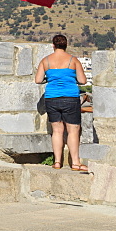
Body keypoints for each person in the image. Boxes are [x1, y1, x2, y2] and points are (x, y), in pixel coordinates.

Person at [35, 34, 89, 172]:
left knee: (57, 131)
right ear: (66, 45)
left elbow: (38, 80)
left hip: (52, 98)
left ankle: (57, 161)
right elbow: (83, 81)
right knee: (73, 130)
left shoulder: (45, 61)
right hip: (70, 97)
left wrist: (51, 78)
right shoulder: (73, 60)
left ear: (53, 45)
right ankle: (75, 163)